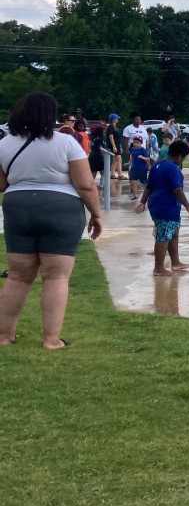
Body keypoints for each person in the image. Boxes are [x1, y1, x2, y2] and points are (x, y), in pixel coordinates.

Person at [0, 91, 103, 349]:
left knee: (18, 276)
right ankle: (51, 339)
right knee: (56, 276)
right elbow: (86, 185)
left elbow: (2, 184)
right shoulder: (67, 143)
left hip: (18, 207)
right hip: (60, 208)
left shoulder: (4, 144)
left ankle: (3, 336)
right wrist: (96, 215)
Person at [134, 139, 189, 276]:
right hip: (166, 206)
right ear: (179, 156)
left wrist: (143, 201)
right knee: (163, 236)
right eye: (183, 158)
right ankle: (158, 268)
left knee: (173, 234)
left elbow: (149, 186)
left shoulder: (158, 164)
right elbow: (177, 190)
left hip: (158, 204)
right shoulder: (173, 169)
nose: (183, 160)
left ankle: (176, 262)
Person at [127, 135, 152, 201]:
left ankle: (148, 195)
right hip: (134, 168)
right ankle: (135, 195)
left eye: (137, 142)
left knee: (144, 183)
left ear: (141, 143)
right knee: (133, 182)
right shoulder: (132, 149)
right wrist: (129, 163)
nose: (135, 144)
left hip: (142, 169)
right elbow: (132, 156)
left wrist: (143, 158)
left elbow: (148, 159)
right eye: (134, 142)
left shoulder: (143, 150)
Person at [105, 113, 123, 180]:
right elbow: (111, 137)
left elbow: (117, 138)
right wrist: (114, 146)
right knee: (119, 160)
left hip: (117, 145)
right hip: (114, 145)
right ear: (113, 119)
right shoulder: (110, 127)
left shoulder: (115, 127)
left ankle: (112, 174)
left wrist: (120, 146)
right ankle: (120, 175)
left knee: (115, 160)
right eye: (116, 118)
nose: (117, 119)